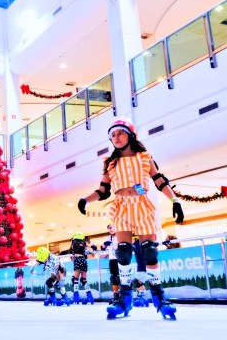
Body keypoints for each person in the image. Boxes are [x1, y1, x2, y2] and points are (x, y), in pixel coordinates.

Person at [78, 119, 184, 320]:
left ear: (130, 135)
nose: (116, 138)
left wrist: (175, 200)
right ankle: (124, 299)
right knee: (123, 252)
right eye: (113, 135)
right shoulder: (110, 163)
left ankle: (159, 298)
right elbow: (103, 190)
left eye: (120, 133)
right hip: (121, 208)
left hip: (142, 206)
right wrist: (85, 200)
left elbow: (160, 180)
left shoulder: (144, 157)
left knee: (149, 251)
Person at [69, 232, 94, 305]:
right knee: (83, 280)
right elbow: (91, 247)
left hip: (77, 259)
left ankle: (76, 297)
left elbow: (72, 250)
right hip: (83, 259)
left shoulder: (73, 241)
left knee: (75, 279)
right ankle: (90, 296)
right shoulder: (84, 242)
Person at [101, 222, 119, 302]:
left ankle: (123, 293)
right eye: (109, 228)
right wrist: (104, 247)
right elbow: (103, 248)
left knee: (121, 277)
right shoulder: (109, 237)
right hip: (112, 259)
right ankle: (116, 294)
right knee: (113, 277)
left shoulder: (120, 236)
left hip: (120, 259)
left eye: (112, 227)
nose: (110, 229)